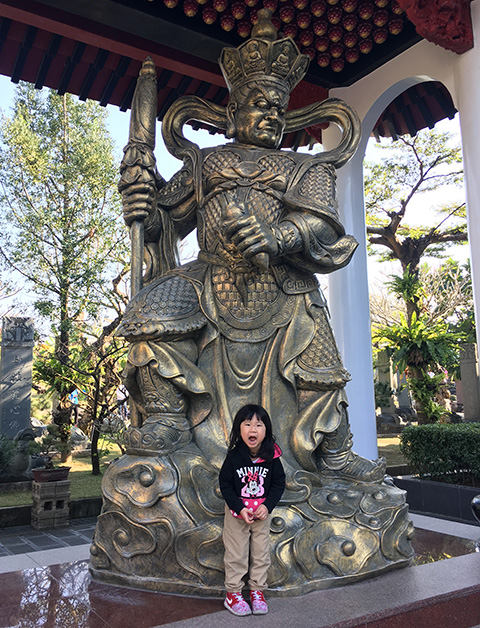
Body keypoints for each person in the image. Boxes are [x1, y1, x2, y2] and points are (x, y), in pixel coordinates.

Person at [117, 10, 385, 482]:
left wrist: (278, 236)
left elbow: (323, 226)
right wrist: (144, 201)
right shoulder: (204, 164)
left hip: (283, 283)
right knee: (146, 318)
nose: (271, 115)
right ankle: (167, 417)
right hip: (210, 277)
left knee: (320, 368)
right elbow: (167, 220)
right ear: (233, 111)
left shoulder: (305, 168)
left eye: (278, 109)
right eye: (260, 104)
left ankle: (334, 452)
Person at [219, 404, 285, 616]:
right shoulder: (234, 457)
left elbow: (278, 484)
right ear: (239, 429)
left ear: (266, 430)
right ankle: (233, 594)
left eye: (258, 425)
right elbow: (225, 485)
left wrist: (267, 506)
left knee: (261, 553)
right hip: (237, 514)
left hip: (261, 514)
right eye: (247, 424)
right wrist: (239, 508)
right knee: (236, 553)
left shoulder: (272, 457)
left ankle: (257, 591)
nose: (253, 429)